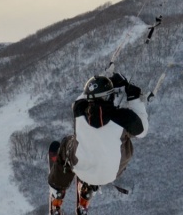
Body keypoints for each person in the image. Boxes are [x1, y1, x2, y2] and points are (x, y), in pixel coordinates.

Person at [48, 72, 149, 204]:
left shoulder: (79, 110)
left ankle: (58, 189)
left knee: (68, 143)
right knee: (123, 145)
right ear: (110, 96)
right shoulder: (124, 118)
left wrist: (104, 82)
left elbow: (84, 96)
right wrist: (134, 98)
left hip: (82, 169)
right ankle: (89, 188)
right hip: (110, 174)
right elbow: (143, 131)